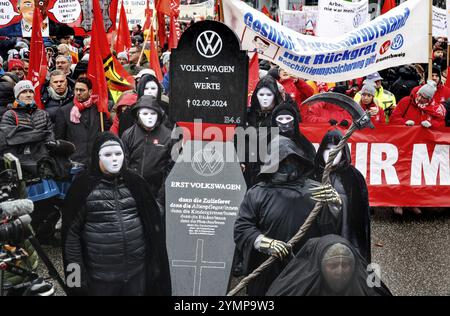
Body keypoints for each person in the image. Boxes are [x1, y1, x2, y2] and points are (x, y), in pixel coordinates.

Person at [62, 132, 171, 296]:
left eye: (118, 153)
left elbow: (154, 218)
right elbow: (70, 237)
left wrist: (155, 266)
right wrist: (76, 280)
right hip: (100, 278)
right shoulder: (82, 187)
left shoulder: (136, 183)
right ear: (97, 156)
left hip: (136, 274)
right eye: (107, 154)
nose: (114, 159)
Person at [234, 135, 342, 295]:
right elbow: (242, 228)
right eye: (281, 161)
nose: (287, 165)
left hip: (305, 267)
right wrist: (265, 243)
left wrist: (335, 206)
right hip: (268, 268)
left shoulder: (317, 190)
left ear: (299, 161)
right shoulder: (257, 193)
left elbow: (330, 231)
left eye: (291, 160)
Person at [266, 235, 392, 296]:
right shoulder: (297, 290)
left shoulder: (367, 289)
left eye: (346, 265)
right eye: (333, 265)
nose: (340, 271)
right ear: (320, 266)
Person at [314, 129, 371, 262]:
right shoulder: (313, 173)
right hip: (320, 237)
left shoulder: (354, 177)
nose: (332, 153)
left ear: (344, 152)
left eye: (337, 150)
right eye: (327, 149)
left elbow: (360, 220)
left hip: (347, 238)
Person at [121, 95, 173, 207]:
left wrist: (160, 200)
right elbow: (123, 167)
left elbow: (170, 171)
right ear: (138, 115)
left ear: (159, 114)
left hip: (157, 195)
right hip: (132, 195)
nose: (149, 117)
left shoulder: (169, 137)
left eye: (153, 113)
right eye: (145, 113)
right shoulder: (128, 135)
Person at [55, 77, 111, 166]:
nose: (78, 93)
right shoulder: (64, 111)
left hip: (96, 161)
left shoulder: (99, 110)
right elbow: (59, 139)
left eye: (82, 90)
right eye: (76, 90)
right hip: (74, 162)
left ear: (90, 92)